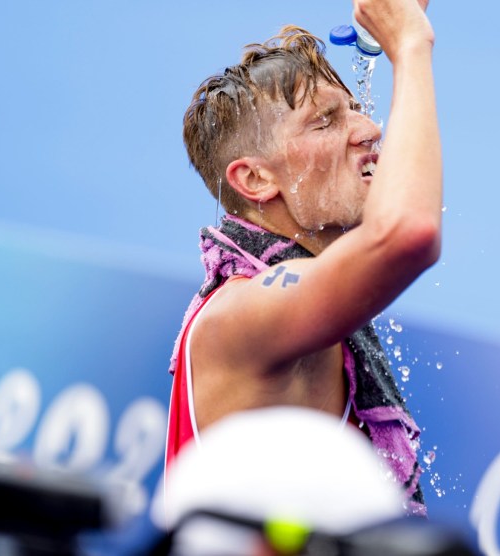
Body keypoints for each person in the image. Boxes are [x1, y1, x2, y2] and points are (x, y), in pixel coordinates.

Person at [164, 0, 439, 518]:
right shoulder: (244, 313)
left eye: (355, 108)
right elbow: (409, 233)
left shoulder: (311, 307)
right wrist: (409, 44)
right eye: (325, 122)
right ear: (255, 180)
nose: (369, 130)